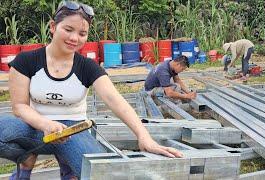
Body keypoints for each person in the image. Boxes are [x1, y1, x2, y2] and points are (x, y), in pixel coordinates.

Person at [0, 1, 182, 179]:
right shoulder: (26, 61)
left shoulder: (87, 67)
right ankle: (25, 160)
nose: (74, 38)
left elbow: (115, 100)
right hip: (35, 127)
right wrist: (46, 124)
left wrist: (144, 137)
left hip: (73, 131)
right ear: (53, 26)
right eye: (68, 30)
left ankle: (68, 166)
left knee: (98, 173)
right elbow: (20, 107)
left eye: (82, 33)